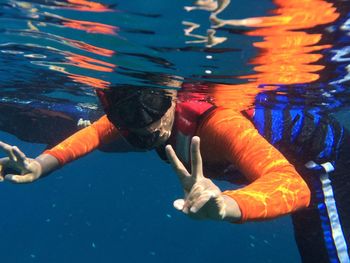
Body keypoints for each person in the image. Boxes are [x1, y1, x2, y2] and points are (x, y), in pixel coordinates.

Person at [0, 86, 348, 262]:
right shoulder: (127, 117)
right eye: (124, 110)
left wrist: (228, 204)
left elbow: (293, 186)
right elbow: (88, 137)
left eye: (152, 104)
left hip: (321, 164)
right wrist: (38, 166)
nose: (143, 121)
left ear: (173, 96)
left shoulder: (218, 125)